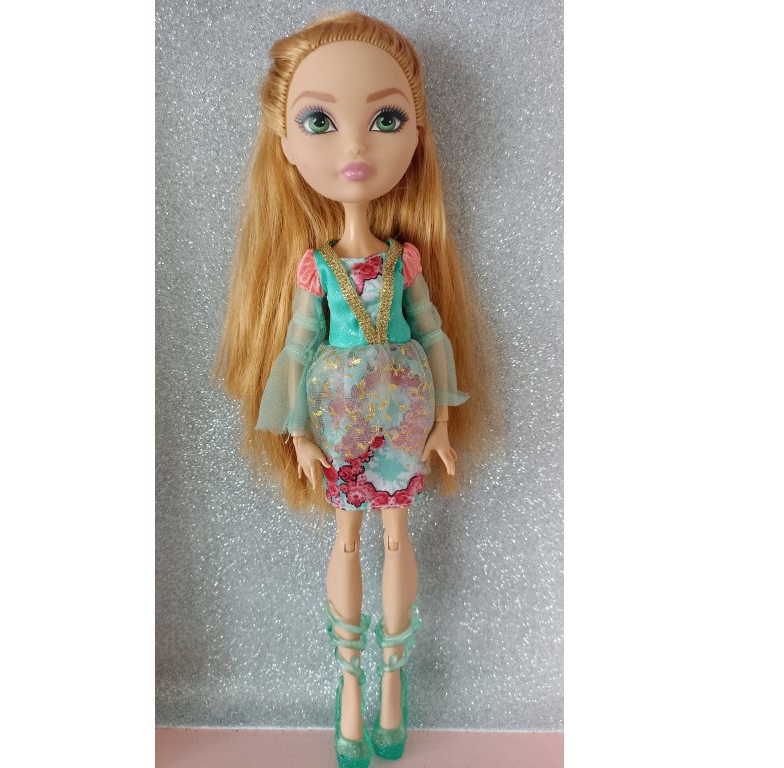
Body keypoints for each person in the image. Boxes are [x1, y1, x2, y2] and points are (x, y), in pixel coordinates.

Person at [215, 11, 492, 767]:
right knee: (347, 536)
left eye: (386, 119)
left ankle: (392, 683)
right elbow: (296, 347)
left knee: (396, 535)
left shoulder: (406, 260)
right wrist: (298, 433)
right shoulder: (316, 266)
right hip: (338, 416)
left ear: (417, 133)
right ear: (285, 143)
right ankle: (349, 688)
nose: (356, 148)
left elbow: (433, 335)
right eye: (320, 122)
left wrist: (443, 422)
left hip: (403, 413)